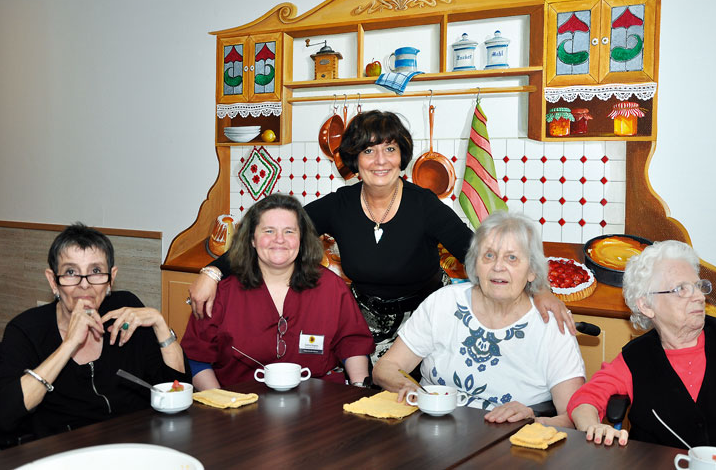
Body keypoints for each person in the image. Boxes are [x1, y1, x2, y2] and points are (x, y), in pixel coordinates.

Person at [188, 110, 575, 365]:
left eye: (389, 149)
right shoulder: (339, 205)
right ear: (354, 159)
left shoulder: (424, 205)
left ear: (401, 155)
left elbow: (480, 254)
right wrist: (213, 272)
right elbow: (272, 235)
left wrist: (538, 289)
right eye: (369, 151)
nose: (380, 160)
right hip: (362, 321)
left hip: (425, 319)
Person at [568, 240, 716, 468]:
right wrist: (592, 427)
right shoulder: (635, 359)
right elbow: (585, 400)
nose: (698, 297)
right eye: (681, 289)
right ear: (646, 305)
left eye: (698, 286)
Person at [373, 211, 585, 426]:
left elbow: (574, 417)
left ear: (532, 271)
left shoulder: (552, 324)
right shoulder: (443, 303)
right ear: (474, 264)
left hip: (508, 444)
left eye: (512, 257)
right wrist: (407, 388)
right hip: (431, 430)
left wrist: (531, 420)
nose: (498, 266)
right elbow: (386, 367)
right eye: (489, 255)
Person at [0, 224, 189, 439]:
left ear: (111, 278)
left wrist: (160, 325)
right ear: (53, 281)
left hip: (136, 444)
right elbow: (3, 417)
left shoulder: (125, 311)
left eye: (95, 271)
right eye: (71, 272)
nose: (84, 285)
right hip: (64, 453)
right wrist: (68, 345)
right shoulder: (25, 330)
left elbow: (179, 389)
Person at [181, 194, 374, 390]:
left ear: (302, 238)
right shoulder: (221, 293)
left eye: (289, 231)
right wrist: (219, 402)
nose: (279, 240)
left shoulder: (331, 287)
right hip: (240, 409)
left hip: (319, 406)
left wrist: (358, 388)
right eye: (269, 231)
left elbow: (353, 344)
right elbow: (196, 358)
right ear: (252, 239)